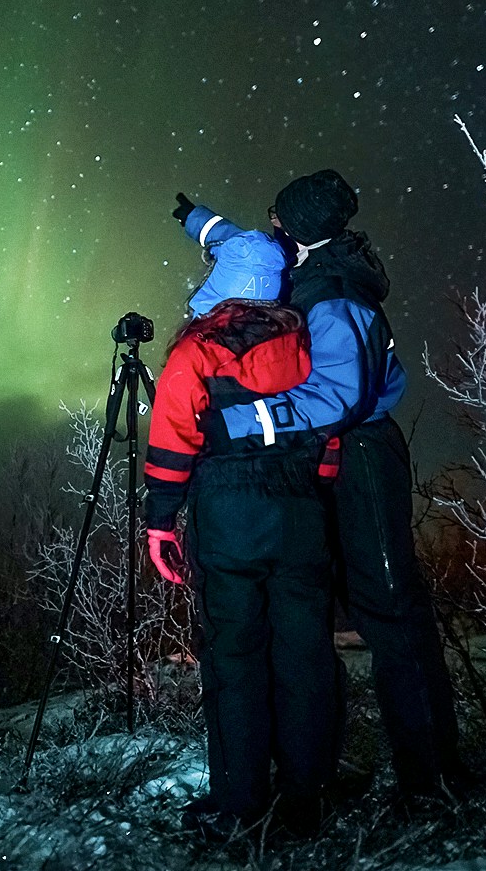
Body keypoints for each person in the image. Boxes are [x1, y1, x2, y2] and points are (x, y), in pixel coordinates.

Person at [212, 169, 470, 807]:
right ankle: (318, 770)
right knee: (319, 610)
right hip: (325, 458)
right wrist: (199, 220)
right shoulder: (313, 273)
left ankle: (434, 780)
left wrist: (243, 420)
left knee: (390, 609)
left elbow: (341, 396)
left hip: (361, 457)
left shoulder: (335, 296)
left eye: (278, 218)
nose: (270, 226)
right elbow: (239, 244)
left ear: (298, 228)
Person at [143, 209, 338, 838]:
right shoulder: (307, 342)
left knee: (234, 657)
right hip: (301, 515)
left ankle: (239, 802)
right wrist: (314, 493)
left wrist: (159, 521)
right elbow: (328, 426)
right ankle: (306, 798)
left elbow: (172, 440)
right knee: (305, 655)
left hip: (228, 519)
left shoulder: (196, 351)